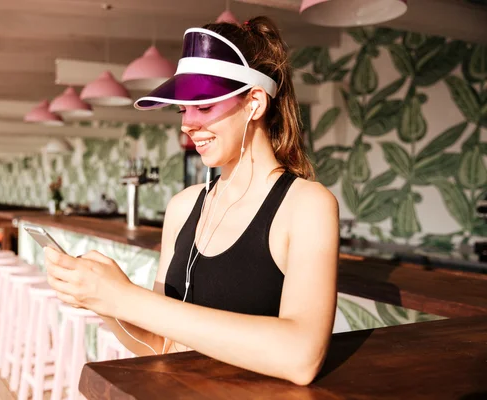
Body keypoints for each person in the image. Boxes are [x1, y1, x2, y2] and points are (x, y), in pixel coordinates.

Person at [45, 16, 339, 386]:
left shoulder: (307, 205)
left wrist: (126, 298)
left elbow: (302, 357)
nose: (186, 124)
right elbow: (157, 344)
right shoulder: (183, 206)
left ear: (255, 102)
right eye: (182, 109)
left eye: (203, 106)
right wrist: (103, 300)